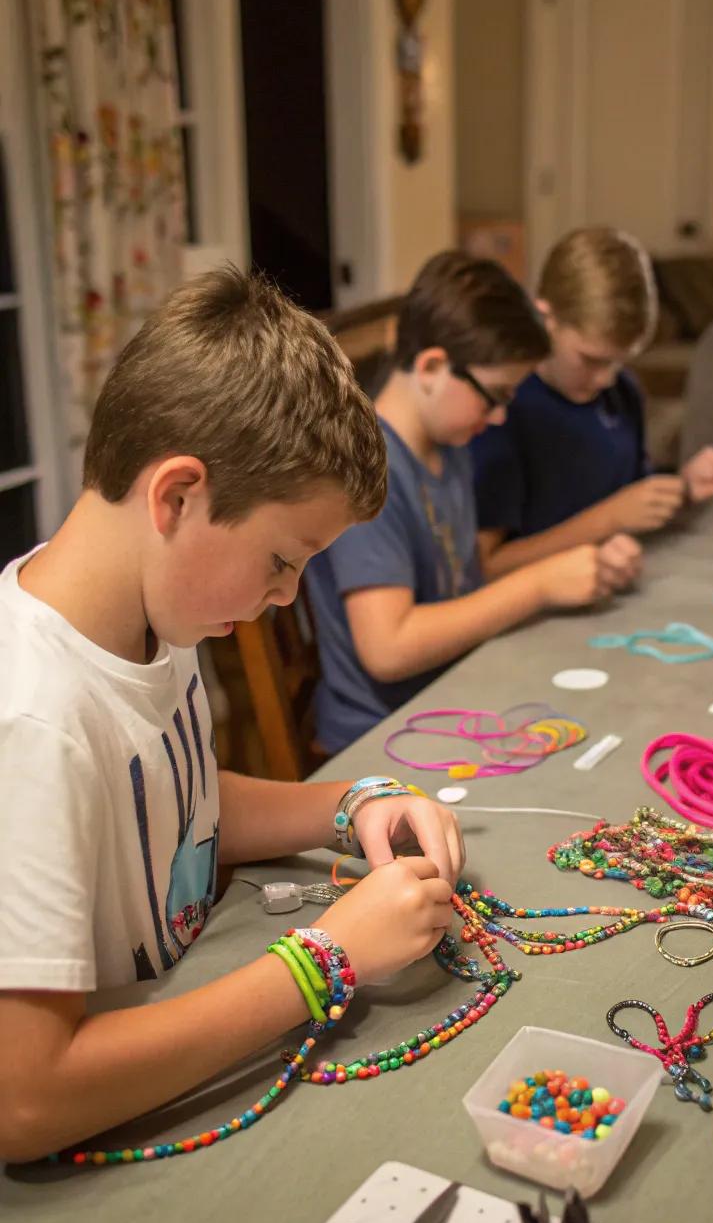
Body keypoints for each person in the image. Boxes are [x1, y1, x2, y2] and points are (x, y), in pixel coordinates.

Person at [0, 267, 466, 1165]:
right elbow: (24, 1102)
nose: (286, 599)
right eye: (281, 561)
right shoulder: (31, 722)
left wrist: (354, 803)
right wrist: (322, 960)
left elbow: (175, 802)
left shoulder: (150, 608)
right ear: (176, 496)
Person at [306, 249, 641, 754]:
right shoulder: (366, 469)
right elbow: (388, 648)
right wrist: (539, 586)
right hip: (381, 739)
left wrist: (575, 567)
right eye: (497, 394)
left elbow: (461, 586)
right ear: (434, 366)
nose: (501, 417)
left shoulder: (450, 445)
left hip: (453, 703)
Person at [472, 226, 713, 579]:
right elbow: (486, 566)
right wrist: (608, 520)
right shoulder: (502, 412)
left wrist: (681, 488)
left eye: (619, 361)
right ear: (546, 318)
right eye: (591, 360)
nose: (606, 378)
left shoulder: (622, 393)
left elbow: (631, 501)